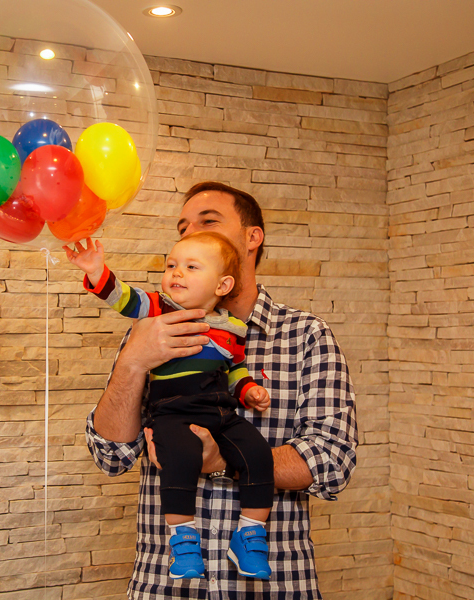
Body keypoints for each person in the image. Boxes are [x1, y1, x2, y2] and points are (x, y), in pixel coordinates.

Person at [85, 181, 358, 599]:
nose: (190, 233)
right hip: (165, 587)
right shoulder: (152, 330)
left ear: (252, 237)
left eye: (208, 221)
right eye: (182, 228)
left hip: (274, 589)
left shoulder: (306, 336)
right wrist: (133, 361)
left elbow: (332, 462)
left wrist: (222, 460)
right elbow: (111, 455)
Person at [65, 231, 275, 580]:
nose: (176, 272)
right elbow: (126, 299)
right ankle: (183, 540)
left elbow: (235, 368)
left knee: (258, 452)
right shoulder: (161, 310)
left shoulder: (234, 328)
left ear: (222, 285)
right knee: (180, 458)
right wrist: (97, 272)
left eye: (191, 267)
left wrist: (249, 389)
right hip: (173, 414)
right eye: (171, 265)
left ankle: (250, 534)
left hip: (221, 412)